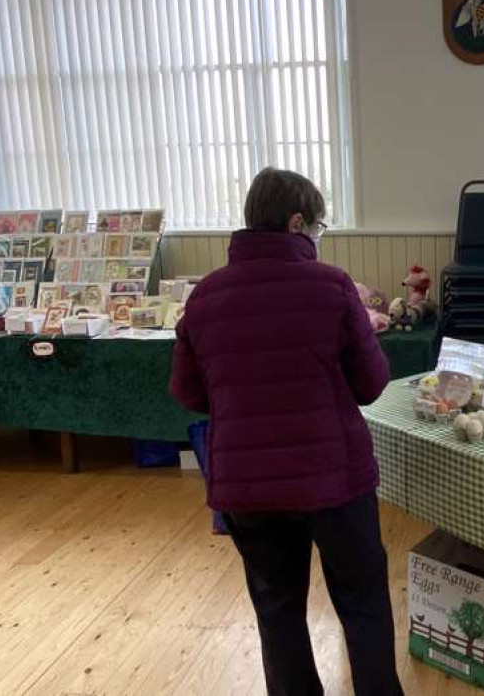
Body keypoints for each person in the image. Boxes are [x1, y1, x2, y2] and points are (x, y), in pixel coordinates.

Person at [170, 167, 404, 696]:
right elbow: (371, 384)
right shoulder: (332, 286)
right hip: (335, 479)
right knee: (363, 600)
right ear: (297, 221)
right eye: (319, 226)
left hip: (248, 485)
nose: (320, 238)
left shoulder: (205, 296)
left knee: (277, 610)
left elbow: (188, 393)